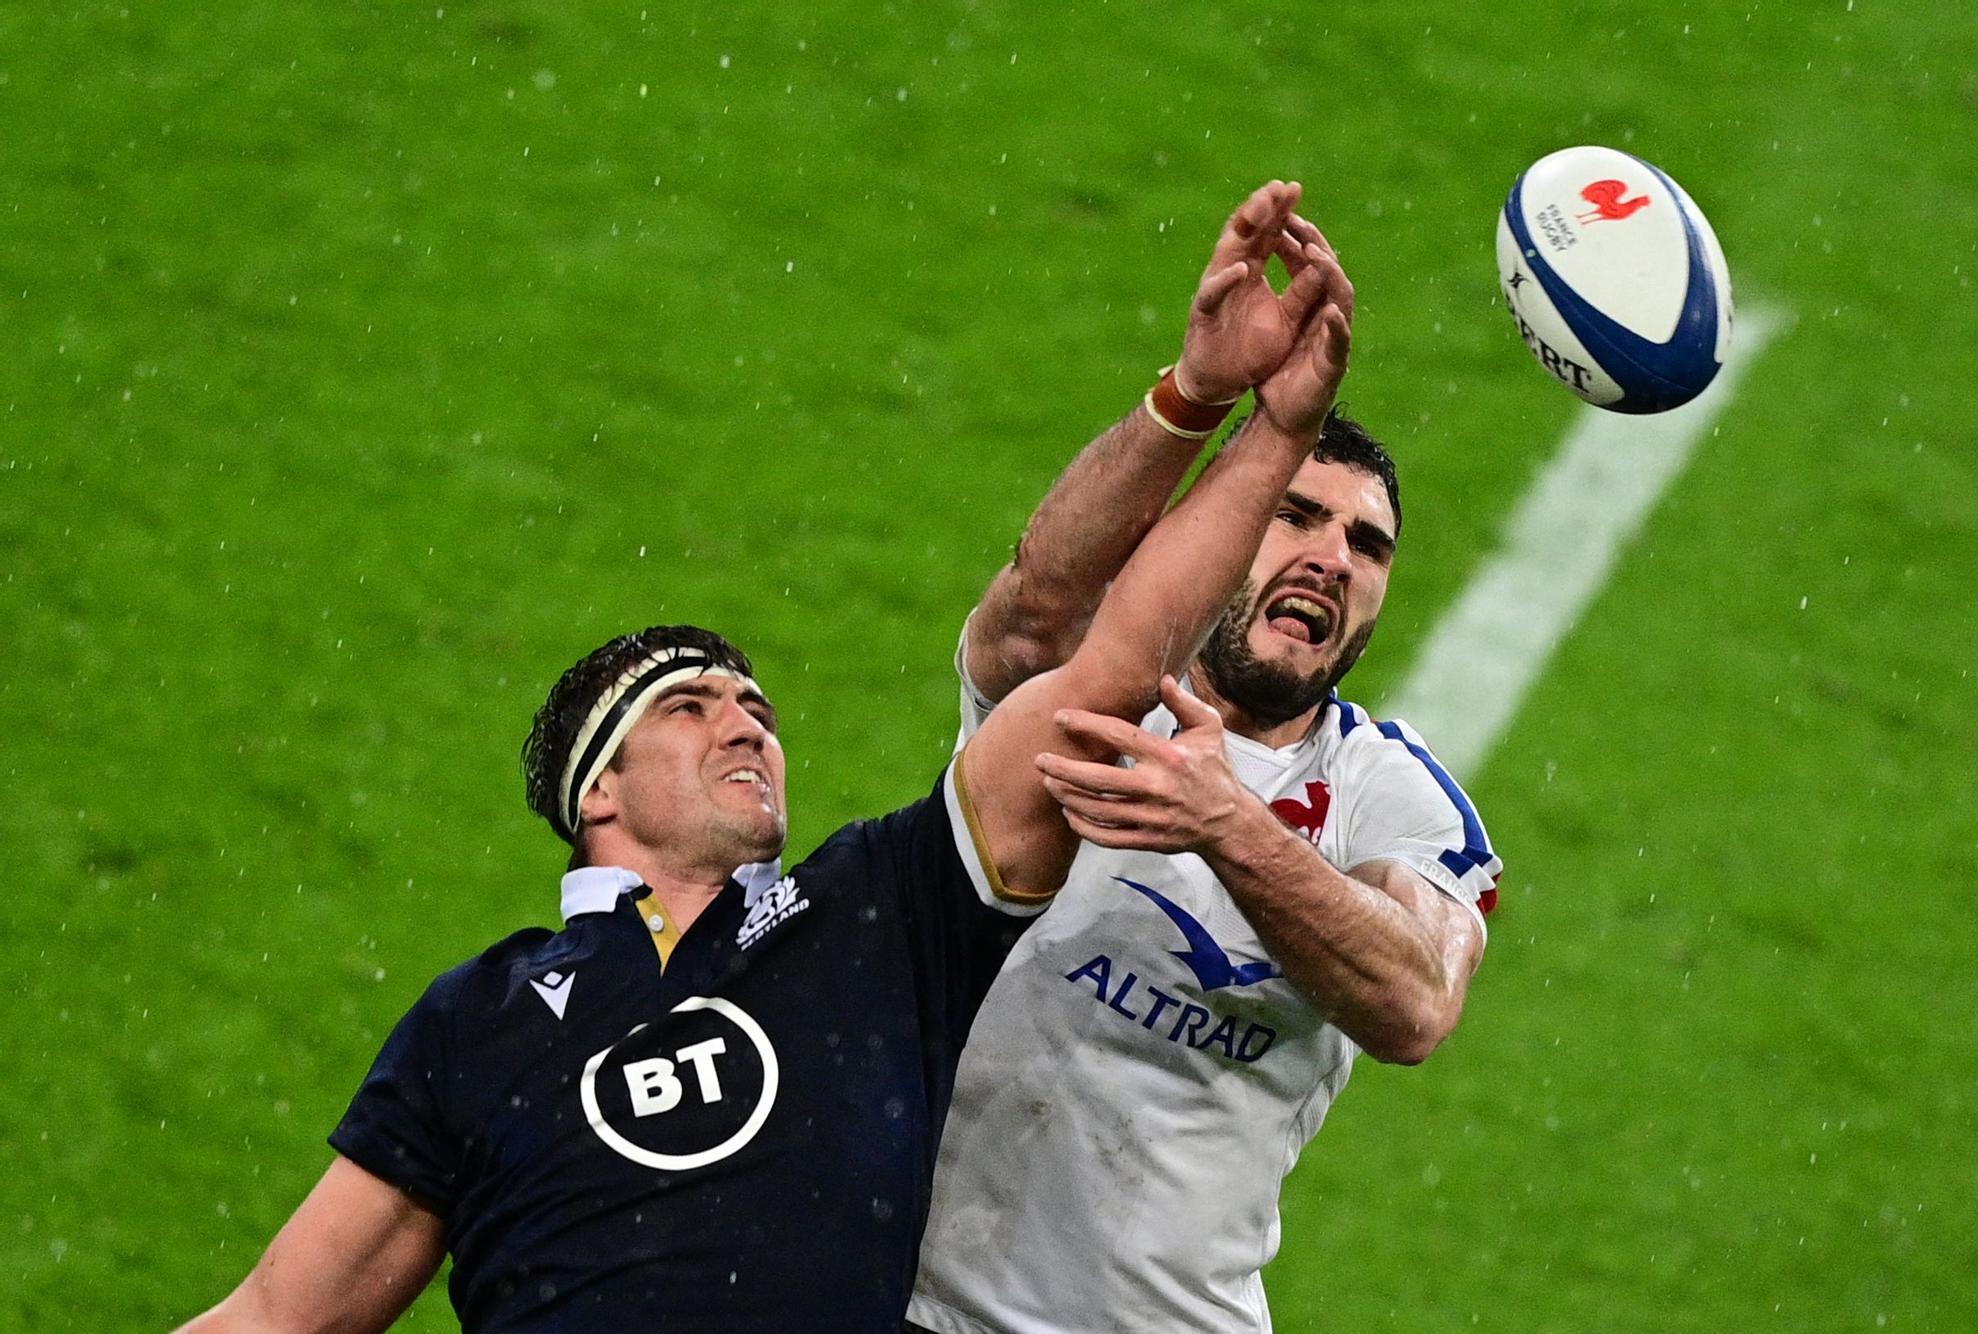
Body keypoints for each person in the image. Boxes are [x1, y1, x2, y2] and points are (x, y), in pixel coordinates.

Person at [178, 180, 1357, 1333]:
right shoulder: (479, 1020)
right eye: (688, 704)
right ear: (599, 787)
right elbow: (284, 1309)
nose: (747, 721)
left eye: (758, 704)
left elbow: (1103, 674)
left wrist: (1256, 422)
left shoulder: (878, 916)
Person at [907, 245, 1501, 1333]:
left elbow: (1415, 1000)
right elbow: (1031, 610)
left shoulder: (1386, 791)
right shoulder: (1093, 681)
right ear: (1229, 525)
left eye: (1366, 544)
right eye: (1296, 513)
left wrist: (1230, 822)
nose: (1330, 557)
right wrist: (1195, 396)